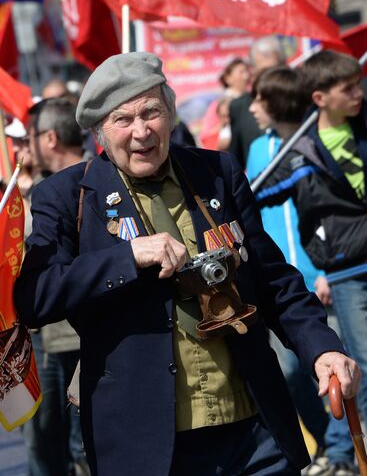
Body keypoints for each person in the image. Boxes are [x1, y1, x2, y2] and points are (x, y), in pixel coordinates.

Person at [14, 52, 360, 476]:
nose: (141, 131)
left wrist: (322, 348)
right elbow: (35, 297)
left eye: (151, 113)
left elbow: (272, 280)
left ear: (172, 114)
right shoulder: (67, 196)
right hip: (150, 445)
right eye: (123, 120)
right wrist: (128, 257)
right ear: (100, 132)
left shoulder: (216, 171)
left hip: (253, 431)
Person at [247, 66, 355, 476]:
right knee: (292, 373)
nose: (253, 107)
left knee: (339, 369)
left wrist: (325, 270)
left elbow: (320, 214)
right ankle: (329, 442)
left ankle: (343, 449)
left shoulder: (310, 144)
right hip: (282, 281)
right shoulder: (260, 147)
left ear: (278, 102)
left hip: (320, 275)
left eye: (260, 100)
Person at [22, 98, 90, 476]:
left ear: (48, 138)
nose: (25, 147)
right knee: (45, 439)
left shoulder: (102, 179)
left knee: (79, 444)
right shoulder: (41, 189)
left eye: (29, 138)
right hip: (49, 337)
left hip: (77, 338)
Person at [229, 35, 286, 167]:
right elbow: (236, 160)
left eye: (275, 70)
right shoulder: (239, 107)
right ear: (253, 71)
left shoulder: (299, 102)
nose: (270, 77)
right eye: (264, 71)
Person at [199, 57, 251, 150]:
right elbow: (206, 137)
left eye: (247, 71)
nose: (246, 76)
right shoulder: (218, 104)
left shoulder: (251, 100)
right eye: (241, 72)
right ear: (228, 78)